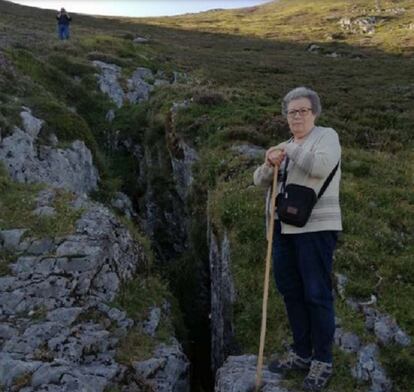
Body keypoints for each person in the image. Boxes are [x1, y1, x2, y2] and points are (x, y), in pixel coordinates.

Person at [253, 87, 342, 391]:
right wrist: (268, 161)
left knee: (316, 294)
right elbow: (259, 181)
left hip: (315, 230)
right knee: (290, 291)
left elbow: (319, 166)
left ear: (314, 113)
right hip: (281, 230)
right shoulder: (285, 145)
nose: (297, 117)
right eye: (292, 112)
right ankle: (302, 353)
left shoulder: (326, 137)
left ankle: (322, 360)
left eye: (303, 111)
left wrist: (288, 151)